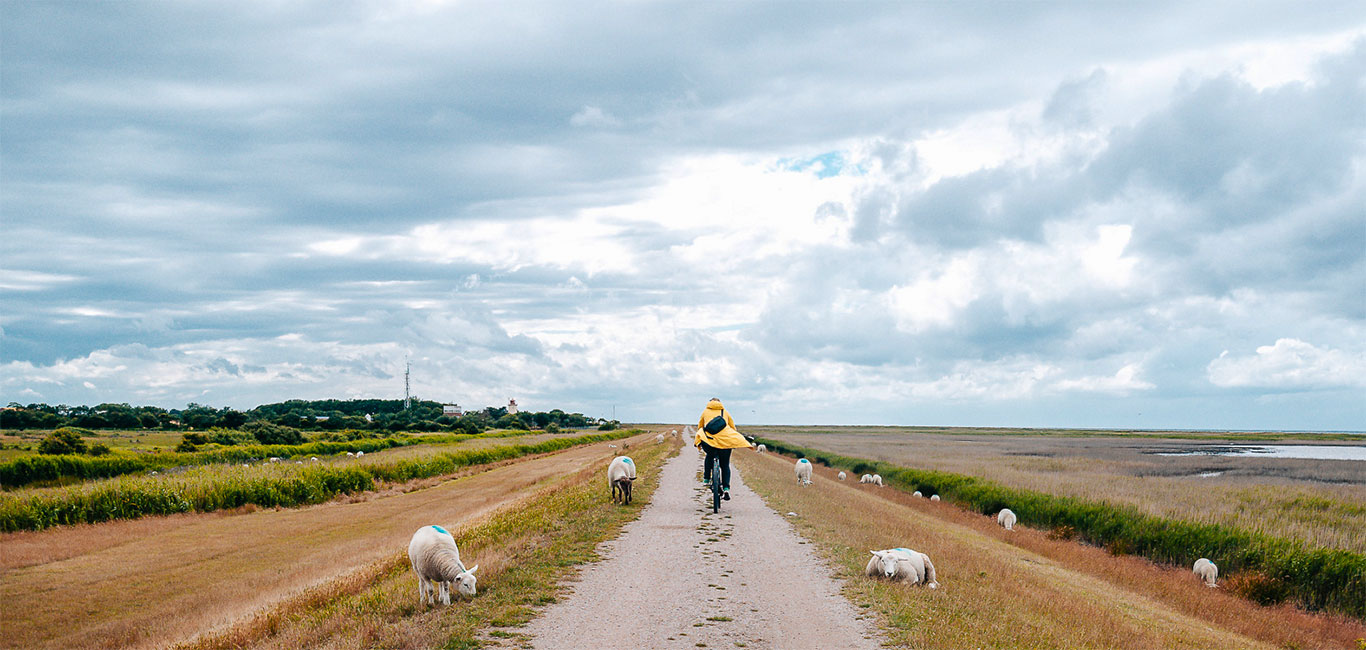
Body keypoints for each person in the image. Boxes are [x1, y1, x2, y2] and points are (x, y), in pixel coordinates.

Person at [693, 398, 756, 500]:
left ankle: (706, 478)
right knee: (725, 465)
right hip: (725, 442)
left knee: (709, 456)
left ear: (710, 403)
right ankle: (726, 488)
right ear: (720, 403)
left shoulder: (705, 411)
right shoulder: (725, 412)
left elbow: (700, 426)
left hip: (710, 441)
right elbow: (732, 427)